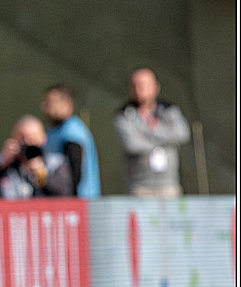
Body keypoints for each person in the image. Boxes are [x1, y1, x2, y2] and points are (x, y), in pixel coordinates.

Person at [113, 67, 191, 197]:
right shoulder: (124, 114)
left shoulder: (168, 110)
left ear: (156, 87)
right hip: (139, 187)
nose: (140, 90)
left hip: (169, 186)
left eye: (145, 85)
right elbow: (132, 145)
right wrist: (167, 140)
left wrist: (150, 131)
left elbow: (182, 134)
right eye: (135, 86)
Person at [0, 115, 75, 198]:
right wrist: (1, 165)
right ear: (13, 138)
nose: (28, 144)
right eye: (22, 138)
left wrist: (43, 176)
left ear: (43, 139)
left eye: (33, 138)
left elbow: (65, 195)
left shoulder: (55, 163)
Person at [40, 84, 101, 199]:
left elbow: (74, 172)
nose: (44, 107)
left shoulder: (72, 131)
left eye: (49, 103)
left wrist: (71, 203)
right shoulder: (52, 131)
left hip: (79, 203)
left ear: (66, 104)